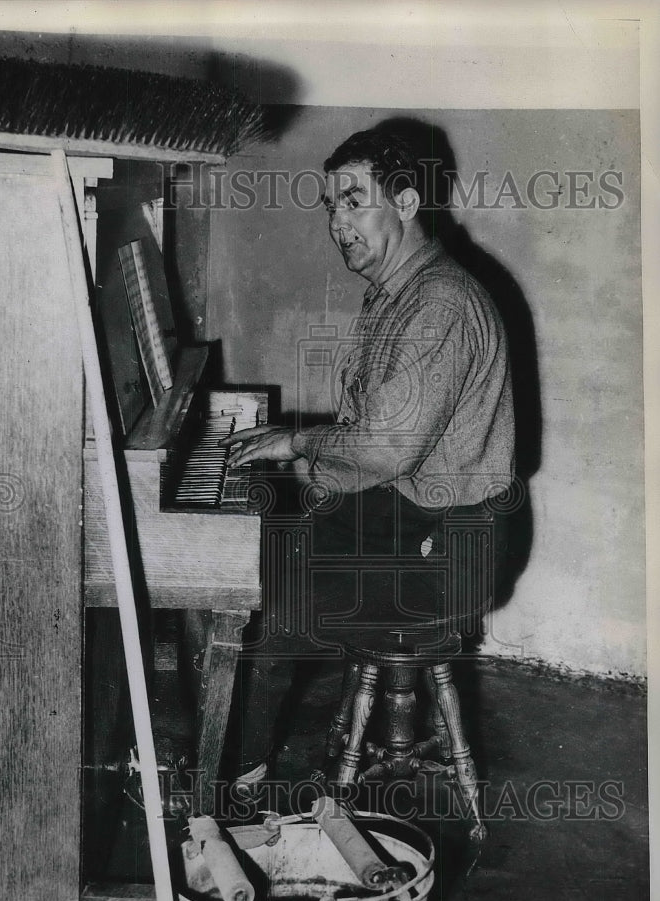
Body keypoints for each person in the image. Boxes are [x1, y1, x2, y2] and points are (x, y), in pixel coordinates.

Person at [218, 122, 515, 796]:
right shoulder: (401, 290)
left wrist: (296, 443)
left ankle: (237, 779)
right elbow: (376, 430)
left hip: (450, 554)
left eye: (354, 202)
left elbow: (383, 447)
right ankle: (239, 750)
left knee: (272, 598)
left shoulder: (437, 304)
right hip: (422, 523)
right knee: (264, 546)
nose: (338, 225)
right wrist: (305, 456)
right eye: (331, 207)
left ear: (406, 203)